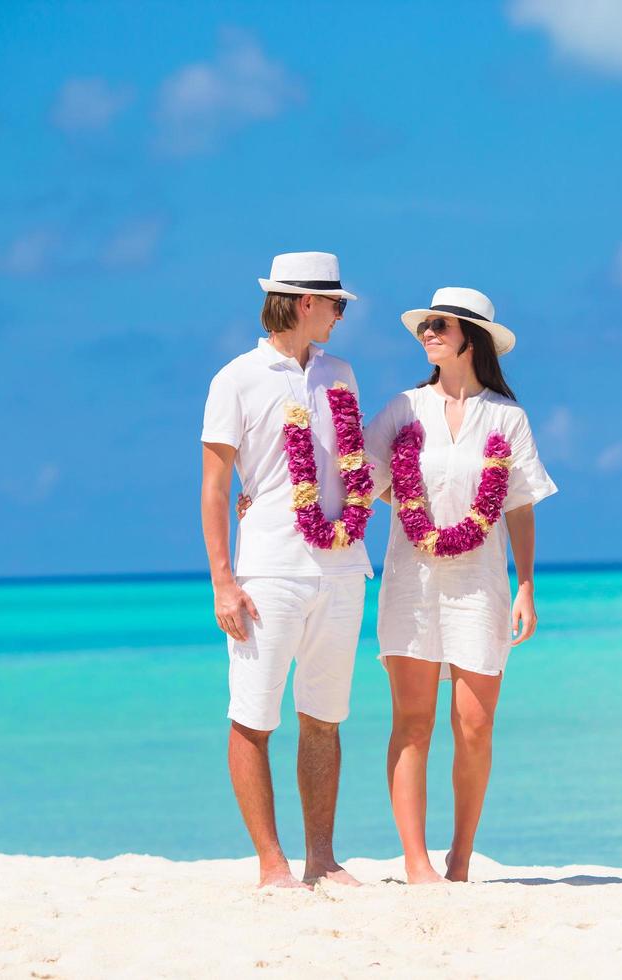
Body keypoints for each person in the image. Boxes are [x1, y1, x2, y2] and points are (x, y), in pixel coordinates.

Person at [365, 286, 557, 883]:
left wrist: (526, 585)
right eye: (425, 324)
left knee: (474, 726)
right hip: (410, 579)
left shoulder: (507, 416)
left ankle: (461, 857)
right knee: (412, 721)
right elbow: (360, 478)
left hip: (480, 583)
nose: (428, 332)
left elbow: (520, 506)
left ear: (469, 337)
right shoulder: (403, 408)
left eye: (440, 324)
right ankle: (416, 862)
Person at [200, 251, 375, 889]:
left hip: (342, 567)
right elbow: (215, 489)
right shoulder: (236, 379)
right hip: (268, 569)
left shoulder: (342, 375)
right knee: (254, 715)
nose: (342, 314)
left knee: (324, 716)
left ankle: (321, 860)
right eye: (336, 303)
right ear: (305, 303)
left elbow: (355, 467)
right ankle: (272, 864)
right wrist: (223, 579)